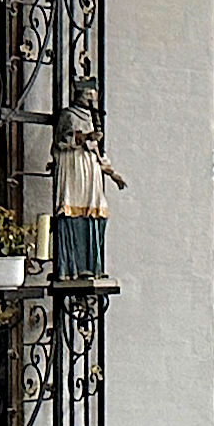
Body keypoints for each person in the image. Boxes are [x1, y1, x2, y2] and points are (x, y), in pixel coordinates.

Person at [52, 97, 125, 287]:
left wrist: (113, 174)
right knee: (71, 211)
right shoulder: (68, 115)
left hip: (91, 171)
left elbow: (98, 153)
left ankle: (92, 267)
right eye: (89, 95)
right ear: (79, 94)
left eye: (94, 95)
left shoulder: (93, 117)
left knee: (97, 213)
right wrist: (86, 137)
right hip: (73, 167)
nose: (92, 99)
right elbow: (61, 140)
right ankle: (70, 268)